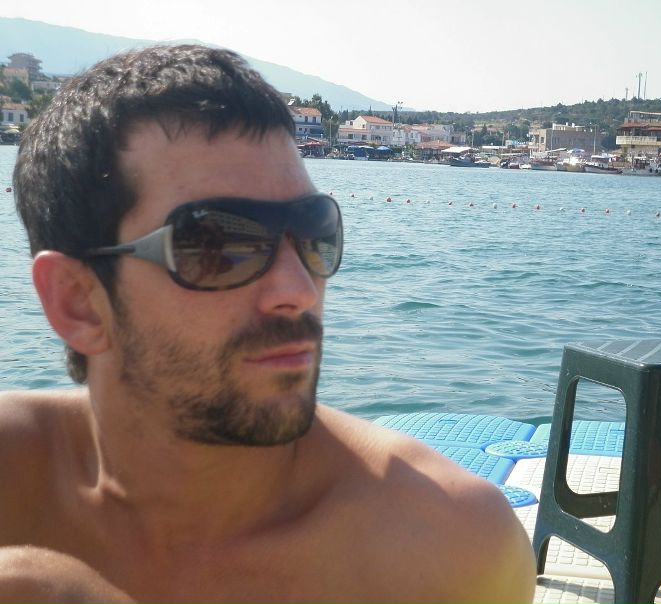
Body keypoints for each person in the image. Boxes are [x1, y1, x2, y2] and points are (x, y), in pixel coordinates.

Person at [1, 44, 536, 603]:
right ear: (78, 302)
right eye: (218, 245)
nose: (299, 291)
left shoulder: (446, 551)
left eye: (313, 233)